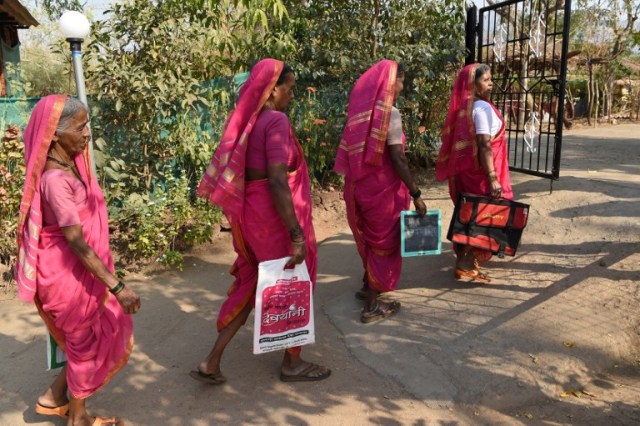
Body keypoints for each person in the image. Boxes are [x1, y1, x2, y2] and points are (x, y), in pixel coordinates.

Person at [192, 58, 330, 384]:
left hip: (250, 216)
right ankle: (291, 363)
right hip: (274, 220)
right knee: (295, 281)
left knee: (253, 280)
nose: (292, 95)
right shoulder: (276, 121)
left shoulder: (248, 122)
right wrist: (296, 234)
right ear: (272, 90)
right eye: (290, 88)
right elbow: (278, 181)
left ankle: (212, 361)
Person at [16, 95, 141, 426]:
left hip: (75, 273)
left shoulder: (70, 167)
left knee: (90, 338)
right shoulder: (56, 181)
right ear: (55, 135)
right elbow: (75, 241)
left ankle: (52, 398)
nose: (87, 134)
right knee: (86, 344)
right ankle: (79, 418)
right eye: (80, 127)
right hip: (67, 278)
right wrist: (117, 287)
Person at [334, 60, 427, 324]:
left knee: (369, 237)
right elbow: (397, 158)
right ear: (390, 82)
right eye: (401, 81)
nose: (402, 86)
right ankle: (372, 306)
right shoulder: (391, 114)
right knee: (382, 243)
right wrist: (415, 192)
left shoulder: (359, 114)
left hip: (358, 187)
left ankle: (367, 286)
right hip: (382, 190)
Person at [435, 63, 514, 283]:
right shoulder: (482, 109)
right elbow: (484, 144)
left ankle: (465, 258)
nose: (491, 83)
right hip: (483, 175)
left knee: (470, 214)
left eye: (491, 78)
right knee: (489, 214)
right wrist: (493, 179)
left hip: (468, 173)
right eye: (485, 79)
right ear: (473, 84)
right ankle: (466, 261)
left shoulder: (464, 108)